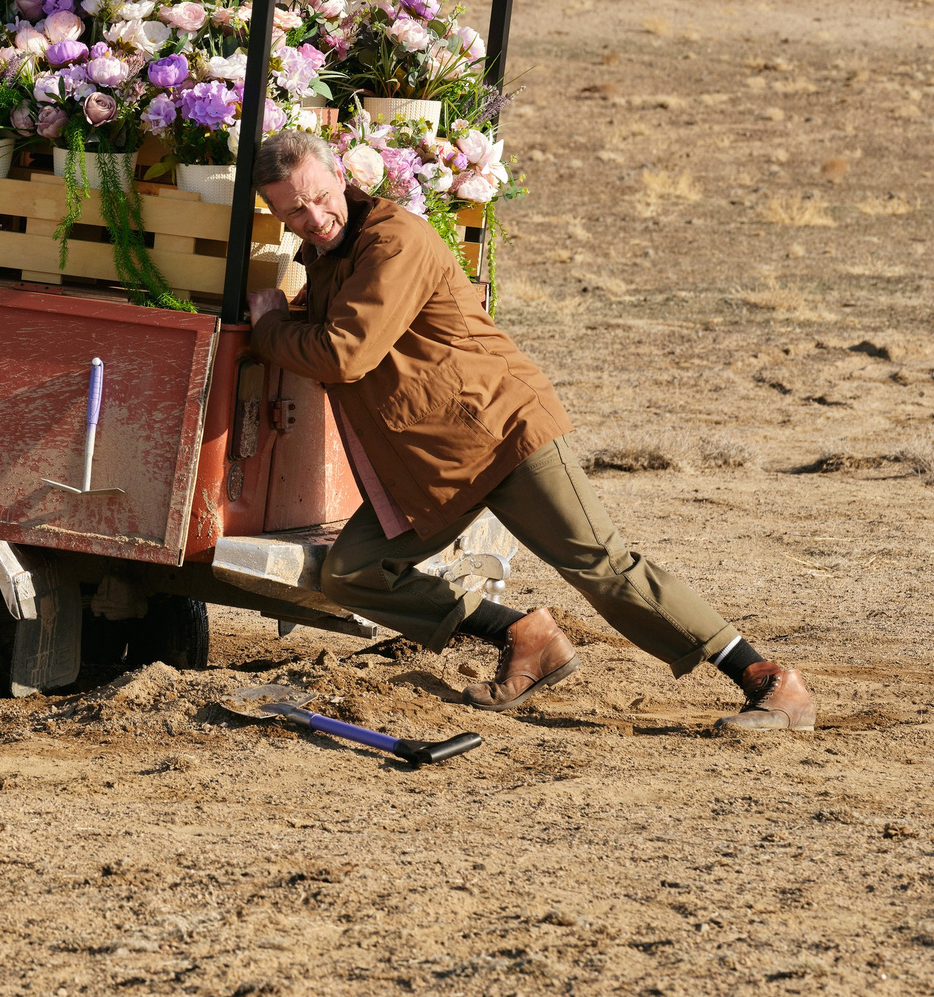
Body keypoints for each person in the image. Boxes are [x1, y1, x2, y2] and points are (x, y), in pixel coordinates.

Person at [245, 127, 816, 734]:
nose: (311, 216)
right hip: (437, 461)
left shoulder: (393, 240)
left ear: (341, 179)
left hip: (504, 432)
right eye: (292, 211)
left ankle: (769, 680)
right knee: (351, 571)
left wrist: (269, 331)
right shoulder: (330, 255)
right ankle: (524, 635)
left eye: (316, 197)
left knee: (603, 566)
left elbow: (345, 353)